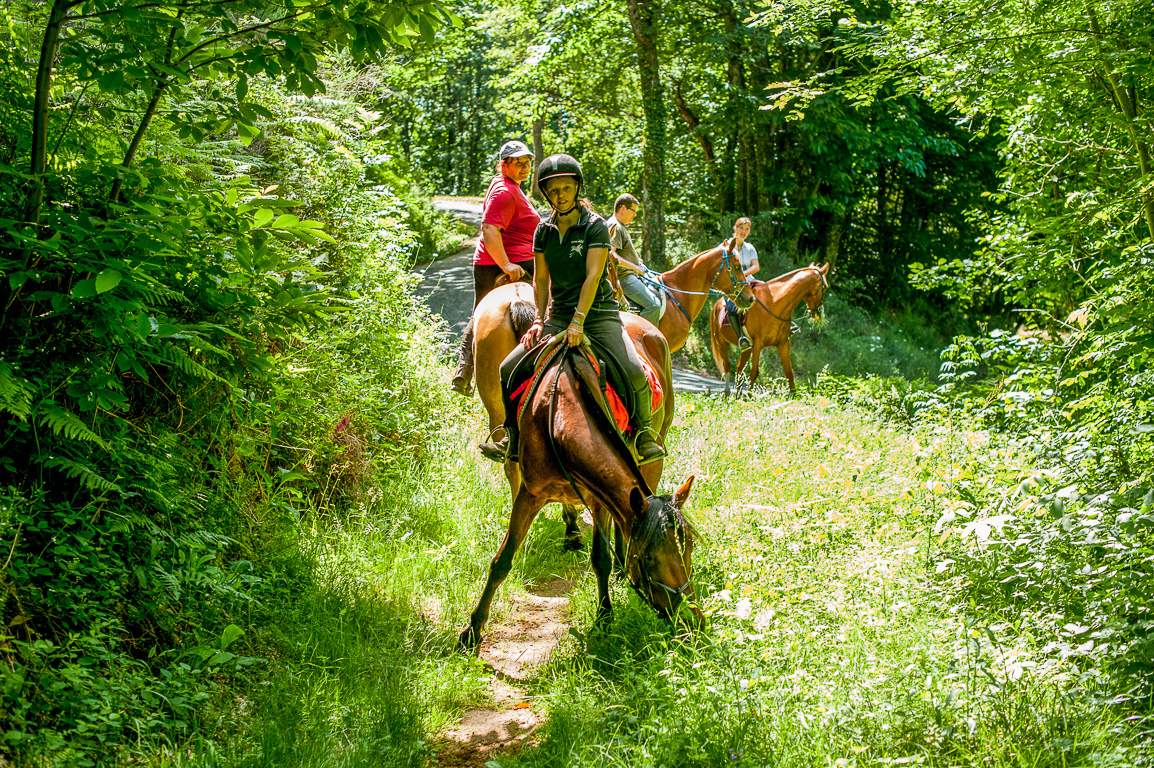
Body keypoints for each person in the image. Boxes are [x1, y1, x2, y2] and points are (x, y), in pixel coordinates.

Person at [479, 154, 665, 465]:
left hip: (598, 314)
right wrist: (539, 319)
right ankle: (511, 435)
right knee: (509, 368)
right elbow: (540, 280)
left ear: (576, 188)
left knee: (633, 371)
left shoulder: (595, 227)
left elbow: (593, 276)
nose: (560, 195)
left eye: (566, 188)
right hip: (559, 315)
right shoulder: (544, 230)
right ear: (545, 194)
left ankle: (643, 433)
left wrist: (579, 322)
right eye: (553, 190)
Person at [451, 140, 540, 396]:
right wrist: (507, 265)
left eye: (527, 163)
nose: (525, 167)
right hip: (503, 264)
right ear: (503, 165)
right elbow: (489, 229)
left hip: (498, 261)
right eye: (518, 163)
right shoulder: (505, 191)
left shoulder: (505, 185)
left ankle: (463, 373)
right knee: (550, 301)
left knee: (480, 311)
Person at [606, 193, 661, 325]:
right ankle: (643, 340)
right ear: (623, 208)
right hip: (625, 278)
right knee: (654, 305)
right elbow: (610, 255)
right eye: (633, 211)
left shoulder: (618, 225)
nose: (635, 215)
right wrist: (635, 267)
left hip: (629, 275)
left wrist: (636, 261)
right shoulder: (616, 226)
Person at [721, 216, 759, 351]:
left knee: (768, 290)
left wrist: (743, 275)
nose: (743, 231)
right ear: (735, 228)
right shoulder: (726, 246)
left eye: (747, 229)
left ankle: (785, 325)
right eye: (741, 228)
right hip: (732, 286)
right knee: (731, 307)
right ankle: (741, 337)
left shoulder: (750, 248)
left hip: (748, 282)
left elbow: (756, 267)